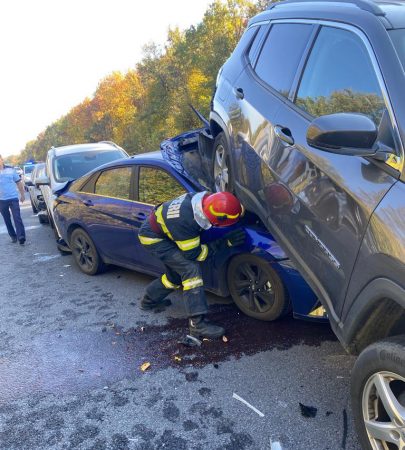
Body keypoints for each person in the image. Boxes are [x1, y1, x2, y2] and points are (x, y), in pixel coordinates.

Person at [138, 191, 245, 339]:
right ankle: (198, 326)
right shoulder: (185, 221)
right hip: (154, 239)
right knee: (190, 270)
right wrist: (224, 243)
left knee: (175, 276)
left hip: (167, 232)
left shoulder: (205, 200)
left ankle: (148, 301)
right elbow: (194, 254)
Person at [0, 154, 26, 244]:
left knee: (17, 217)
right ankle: (13, 236)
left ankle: (21, 236)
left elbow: (18, 182)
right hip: (1, 200)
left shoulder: (11, 170)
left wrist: (22, 195)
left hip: (13, 198)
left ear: (2, 159)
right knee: (7, 219)